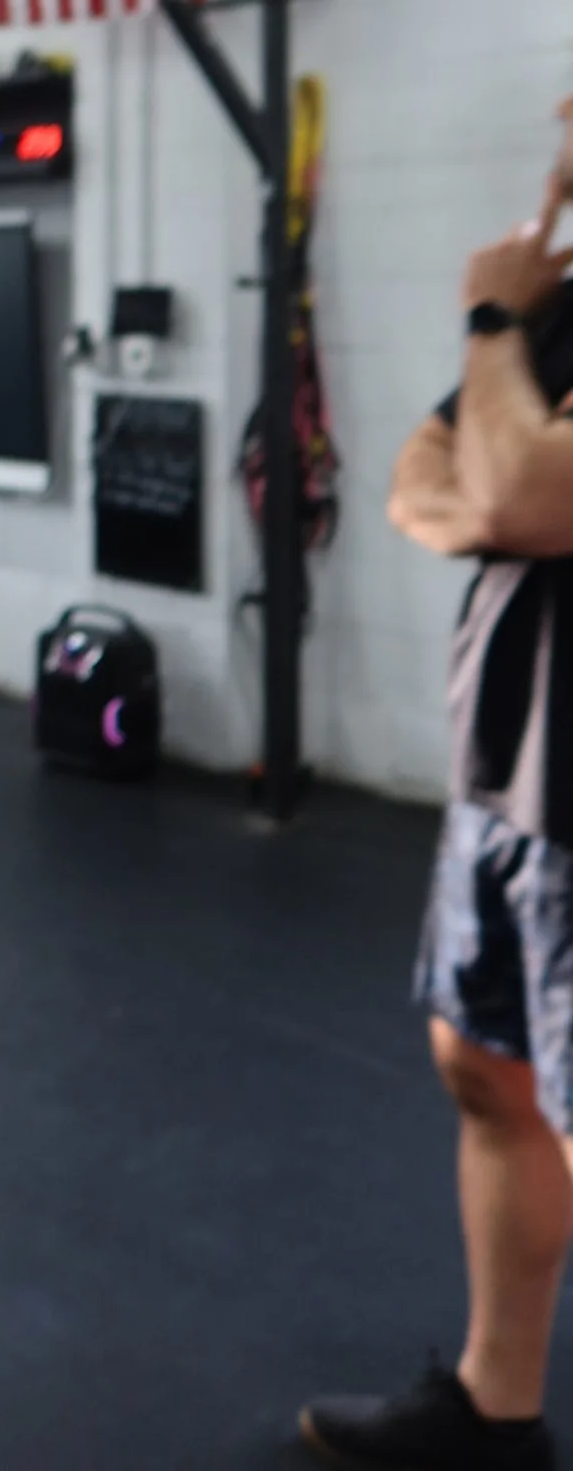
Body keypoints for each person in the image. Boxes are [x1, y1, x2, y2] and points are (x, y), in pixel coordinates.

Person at [302, 105, 573, 1471]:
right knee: (487, 1068)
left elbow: (521, 480)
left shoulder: (515, 313)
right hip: (509, 775)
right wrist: (507, 472)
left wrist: (488, 321)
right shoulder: (557, 316)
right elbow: (425, 483)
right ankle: (494, 1409)